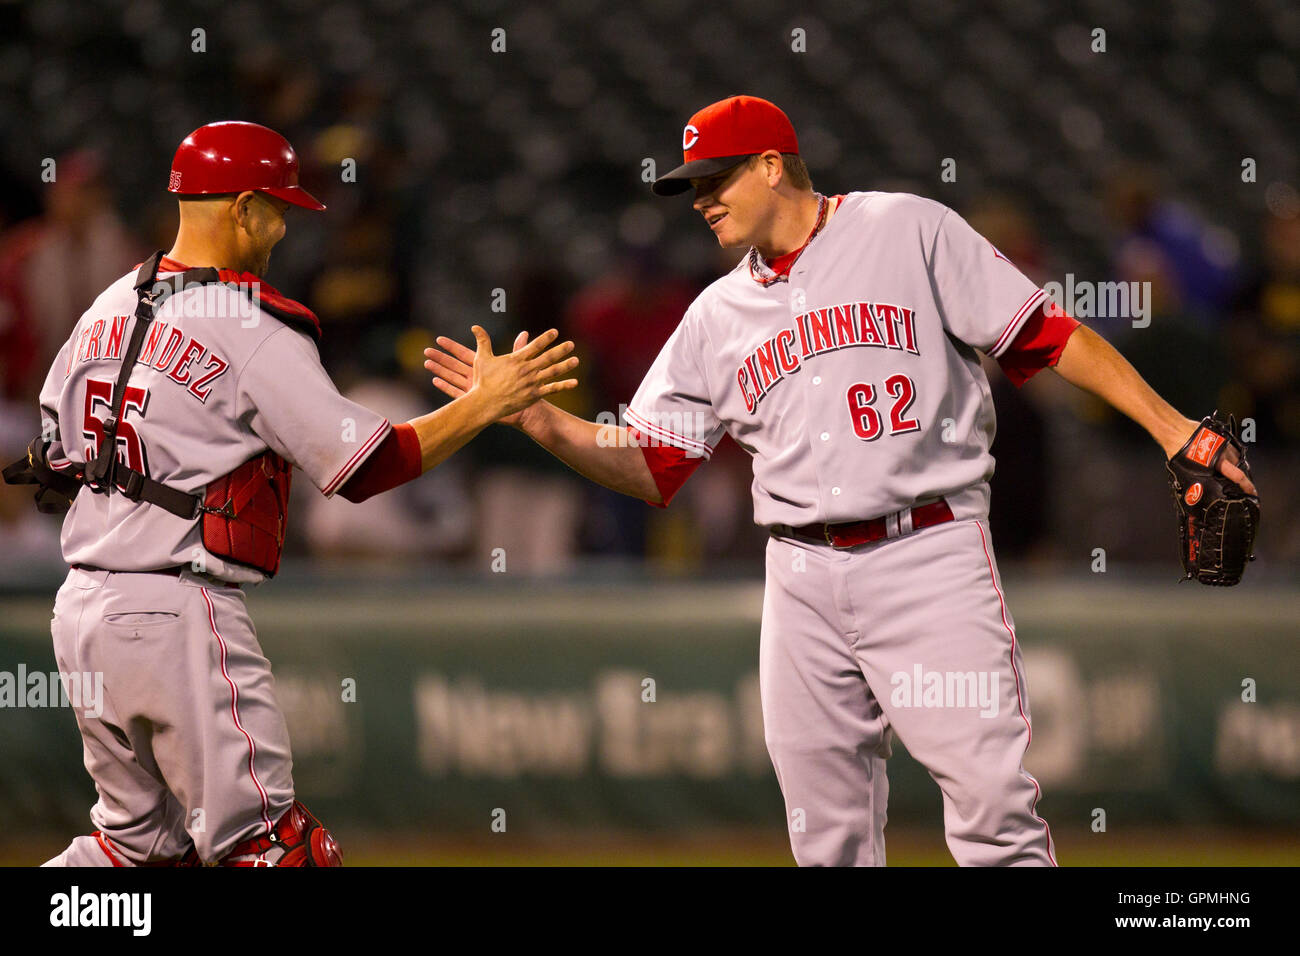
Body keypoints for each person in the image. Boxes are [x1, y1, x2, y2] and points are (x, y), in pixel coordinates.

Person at [425, 95, 1258, 866]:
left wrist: (1171, 426)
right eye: (690, 189)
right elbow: (651, 466)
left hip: (927, 553)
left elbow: (1044, 333)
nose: (700, 201)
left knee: (994, 813)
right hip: (798, 576)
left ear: (772, 166)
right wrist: (542, 422)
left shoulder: (906, 229)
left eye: (714, 181)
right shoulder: (714, 316)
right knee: (827, 840)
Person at [11, 121, 578, 867]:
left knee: (132, 850)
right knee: (275, 849)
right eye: (276, 208)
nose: (283, 227)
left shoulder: (106, 307)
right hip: (175, 611)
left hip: (81, 609)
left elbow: (49, 460)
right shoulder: (250, 324)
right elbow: (367, 467)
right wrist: (484, 402)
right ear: (242, 208)